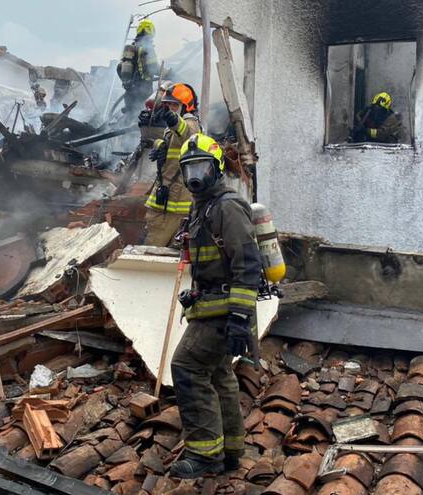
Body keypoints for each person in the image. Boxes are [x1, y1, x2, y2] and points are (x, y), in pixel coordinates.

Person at [169, 133, 261, 479]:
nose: (195, 175)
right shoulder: (203, 204)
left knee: (188, 367)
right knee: (219, 373)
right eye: (189, 168)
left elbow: (247, 264)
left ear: (216, 168)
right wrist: (196, 294)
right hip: (211, 305)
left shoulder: (226, 205)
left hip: (224, 312)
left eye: (201, 167)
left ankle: (205, 455)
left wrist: (239, 316)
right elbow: (211, 261)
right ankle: (231, 451)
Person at [139, 83, 201, 247]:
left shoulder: (190, 123)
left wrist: (173, 119)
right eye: (168, 104)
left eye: (175, 105)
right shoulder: (171, 128)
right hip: (168, 200)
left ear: (186, 106)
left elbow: (187, 134)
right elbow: (175, 144)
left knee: (151, 252)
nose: (171, 108)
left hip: (172, 203)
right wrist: (159, 145)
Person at [118, 19, 159, 116]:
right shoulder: (147, 47)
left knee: (129, 116)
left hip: (129, 93)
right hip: (143, 92)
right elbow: (154, 67)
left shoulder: (132, 48)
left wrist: (127, 82)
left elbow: (119, 68)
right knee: (141, 119)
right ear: (151, 30)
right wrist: (170, 73)